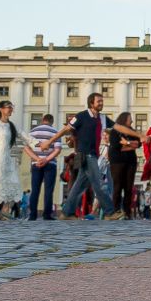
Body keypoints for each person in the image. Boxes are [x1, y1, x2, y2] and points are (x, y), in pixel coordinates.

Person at [54, 93, 115, 221]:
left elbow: (115, 127)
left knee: (79, 185)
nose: (101, 103)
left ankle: (66, 212)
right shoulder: (81, 117)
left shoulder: (100, 119)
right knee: (96, 182)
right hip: (82, 155)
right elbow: (67, 133)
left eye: (102, 101)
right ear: (91, 103)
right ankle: (110, 212)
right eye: (99, 101)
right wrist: (49, 142)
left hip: (87, 155)